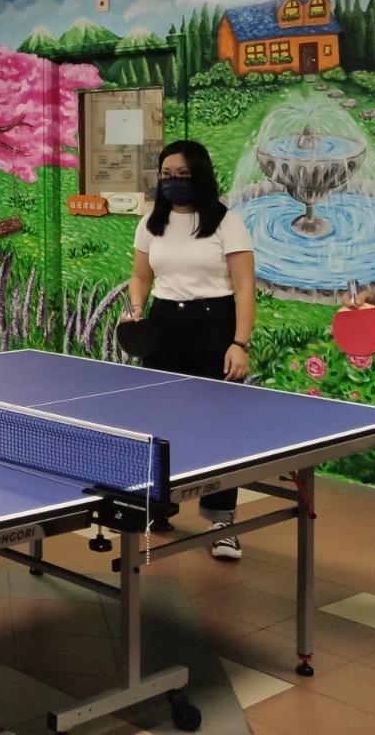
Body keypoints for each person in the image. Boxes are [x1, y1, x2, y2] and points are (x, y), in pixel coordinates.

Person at [124, 140, 256, 559]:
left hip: (213, 323)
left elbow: (245, 287)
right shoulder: (151, 223)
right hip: (163, 323)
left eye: (182, 174)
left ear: (200, 175)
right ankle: (159, 507)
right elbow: (140, 277)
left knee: (219, 424)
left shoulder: (227, 222)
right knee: (160, 422)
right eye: (167, 174)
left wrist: (239, 343)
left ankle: (222, 523)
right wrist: (135, 310)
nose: (173, 182)